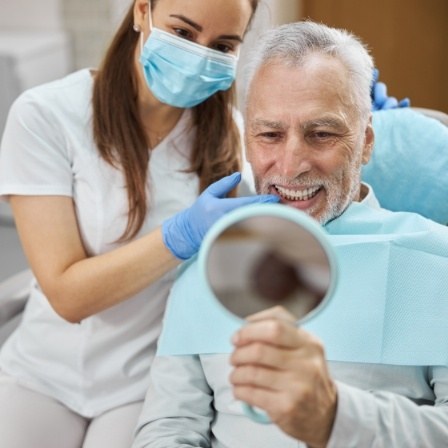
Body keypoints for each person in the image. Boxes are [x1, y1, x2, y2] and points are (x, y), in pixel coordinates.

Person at [132, 21, 448, 447]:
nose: (291, 164)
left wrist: (335, 417)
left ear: (366, 142)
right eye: (270, 135)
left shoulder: (436, 262)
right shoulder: (207, 263)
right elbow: (168, 426)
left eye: (321, 134)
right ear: (247, 142)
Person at [0, 1, 284, 447]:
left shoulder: (230, 136)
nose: (199, 55)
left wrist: (360, 126)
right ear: (141, 12)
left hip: (144, 381)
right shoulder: (46, 115)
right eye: (183, 33)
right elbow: (67, 296)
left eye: (223, 45)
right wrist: (180, 236)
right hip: (42, 372)